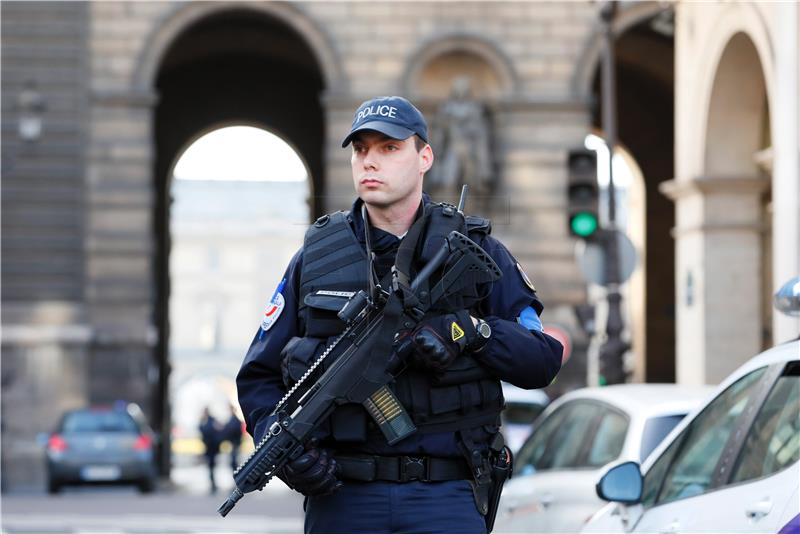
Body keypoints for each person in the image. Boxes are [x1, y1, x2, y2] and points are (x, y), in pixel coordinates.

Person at [237, 96, 563, 533]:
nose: (370, 162)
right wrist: (279, 444)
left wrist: (470, 330)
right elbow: (258, 377)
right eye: (361, 150)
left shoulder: (476, 250)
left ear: (424, 156)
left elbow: (542, 359)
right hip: (343, 498)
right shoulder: (315, 259)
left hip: (445, 494)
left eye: (389, 148)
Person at [199, 407, 221, 494]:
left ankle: (213, 484)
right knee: (210, 467)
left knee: (212, 466)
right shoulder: (204, 421)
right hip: (208, 447)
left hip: (213, 447)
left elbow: (214, 432)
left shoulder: (212, 421)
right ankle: (212, 484)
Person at [222, 404, 243, 472]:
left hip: (235, 442)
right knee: (233, 460)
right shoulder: (232, 419)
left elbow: (235, 430)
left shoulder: (235, 420)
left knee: (234, 461)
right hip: (233, 442)